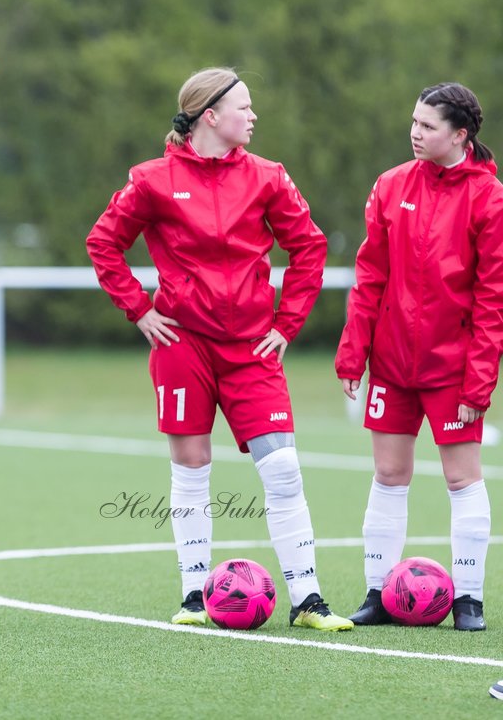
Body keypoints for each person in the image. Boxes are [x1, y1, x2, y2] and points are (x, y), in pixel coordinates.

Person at [86, 67, 353, 631]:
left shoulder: (269, 176)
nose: (253, 116)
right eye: (244, 107)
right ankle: (193, 597)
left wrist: (287, 323)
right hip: (182, 344)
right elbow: (103, 242)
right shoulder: (153, 179)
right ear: (210, 115)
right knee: (191, 467)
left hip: (252, 348)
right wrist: (140, 309)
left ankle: (308, 601)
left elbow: (309, 246)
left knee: (282, 470)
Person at [336, 82, 503, 631]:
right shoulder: (389, 185)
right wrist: (352, 354)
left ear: (460, 135)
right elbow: (370, 277)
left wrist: (479, 381)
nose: (414, 132)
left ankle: (469, 600)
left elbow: (492, 297)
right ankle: (379, 594)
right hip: (392, 364)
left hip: (452, 369)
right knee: (388, 474)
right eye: (413, 121)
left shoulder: (489, 198)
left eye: (427, 126)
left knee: (462, 481)